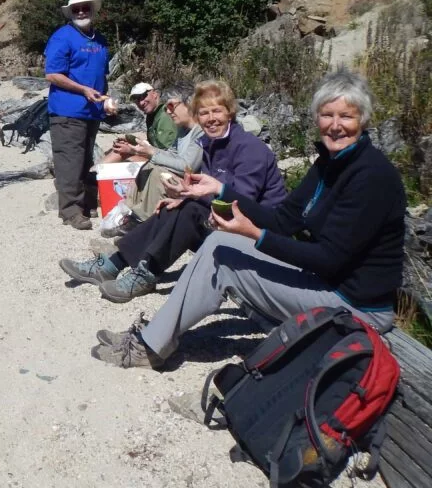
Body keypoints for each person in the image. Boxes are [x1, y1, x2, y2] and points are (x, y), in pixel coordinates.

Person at [91, 69, 405, 369]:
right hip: (324, 280)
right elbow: (283, 219)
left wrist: (254, 233)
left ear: (363, 120)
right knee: (218, 240)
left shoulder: (371, 177)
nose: (335, 126)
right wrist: (220, 189)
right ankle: (153, 335)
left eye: (346, 116)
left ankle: (150, 346)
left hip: (355, 305)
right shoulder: (329, 163)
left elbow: (330, 259)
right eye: (327, 115)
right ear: (317, 119)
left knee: (223, 259)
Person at [59, 79, 286, 298]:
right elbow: (208, 188)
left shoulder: (249, 149)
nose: (210, 119)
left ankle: (146, 273)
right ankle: (112, 265)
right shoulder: (211, 144)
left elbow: (241, 202)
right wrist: (183, 196)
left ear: (230, 112)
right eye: (204, 113)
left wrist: (194, 198)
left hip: (257, 234)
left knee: (188, 211)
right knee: (170, 207)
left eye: (217, 111)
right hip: (228, 223)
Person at [45, 0, 113, 229]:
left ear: (92, 9)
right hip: (67, 111)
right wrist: (84, 90)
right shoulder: (62, 37)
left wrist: (105, 99)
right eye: (76, 9)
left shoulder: (100, 39)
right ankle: (70, 211)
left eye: (85, 7)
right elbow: (52, 74)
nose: (81, 12)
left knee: (86, 160)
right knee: (69, 162)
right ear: (71, 12)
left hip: (92, 111)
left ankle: (85, 204)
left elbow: (101, 75)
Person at [112, 85, 204, 230]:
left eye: (171, 106)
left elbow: (188, 167)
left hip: (194, 184)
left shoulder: (200, 131)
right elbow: (171, 153)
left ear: (188, 104)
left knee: (157, 173)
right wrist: (147, 151)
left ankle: (145, 223)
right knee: (147, 167)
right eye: (166, 107)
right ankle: (130, 212)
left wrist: (152, 154)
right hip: (181, 176)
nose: (168, 111)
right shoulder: (182, 130)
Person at [100, 83, 177, 166]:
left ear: (155, 94)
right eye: (136, 100)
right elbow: (155, 144)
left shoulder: (165, 115)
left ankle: (94, 173)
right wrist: (131, 141)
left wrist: (132, 150)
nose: (141, 102)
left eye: (143, 96)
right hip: (158, 157)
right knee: (119, 150)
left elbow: (166, 153)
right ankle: (96, 172)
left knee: (123, 157)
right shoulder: (153, 114)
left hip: (166, 164)